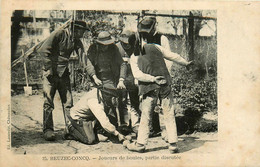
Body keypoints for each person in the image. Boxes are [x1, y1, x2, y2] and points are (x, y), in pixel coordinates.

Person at [126, 29, 192, 153]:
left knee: (146, 116)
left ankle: (140, 144)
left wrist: (152, 79)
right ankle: (173, 144)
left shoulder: (133, 56)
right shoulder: (156, 47)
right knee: (169, 113)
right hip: (165, 84)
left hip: (149, 88)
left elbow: (138, 75)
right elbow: (173, 56)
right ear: (143, 40)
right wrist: (186, 63)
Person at [37, 20, 89, 141]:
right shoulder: (59, 34)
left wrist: (93, 74)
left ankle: (70, 129)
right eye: (82, 31)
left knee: (68, 102)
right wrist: (48, 68)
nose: (83, 34)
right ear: (75, 29)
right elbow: (43, 50)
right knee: (48, 102)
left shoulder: (76, 41)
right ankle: (48, 129)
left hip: (64, 74)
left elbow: (84, 59)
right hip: (50, 73)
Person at [86, 31, 127, 128]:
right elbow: (89, 63)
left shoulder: (114, 49)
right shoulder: (93, 49)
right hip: (97, 78)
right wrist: (94, 77)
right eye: (103, 45)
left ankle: (114, 125)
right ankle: (98, 127)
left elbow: (122, 64)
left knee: (111, 102)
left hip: (111, 79)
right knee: (97, 102)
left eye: (107, 45)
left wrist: (121, 80)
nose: (105, 47)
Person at [116, 30, 141, 135]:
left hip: (133, 78)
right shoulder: (116, 48)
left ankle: (135, 124)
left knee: (134, 101)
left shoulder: (137, 48)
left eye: (128, 43)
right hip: (120, 78)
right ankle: (124, 124)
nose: (126, 45)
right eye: (124, 43)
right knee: (122, 101)